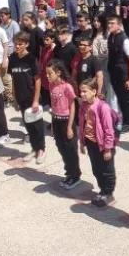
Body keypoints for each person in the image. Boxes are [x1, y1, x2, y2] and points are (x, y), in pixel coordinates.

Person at [78, 78, 118, 207]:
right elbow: (81, 124)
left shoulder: (102, 107)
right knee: (96, 168)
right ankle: (102, 190)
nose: (82, 94)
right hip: (91, 143)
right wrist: (82, 142)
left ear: (94, 91)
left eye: (85, 91)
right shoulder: (83, 106)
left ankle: (109, 193)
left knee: (107, 169)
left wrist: (107, 149)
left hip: (103, 144)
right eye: (81, 91)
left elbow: (109, 130)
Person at [9, 32, 46, 164]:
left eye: (20, 44)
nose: (17, 46)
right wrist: (14, 98)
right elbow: (13, 79)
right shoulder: (12, 58)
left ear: (26, 44)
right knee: (28, 125)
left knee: (37, 125)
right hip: (21, 97)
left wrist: (36, 100)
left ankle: (41, 149)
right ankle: (34, 148)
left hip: (32, 98)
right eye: (16, 44)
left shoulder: (31, 59)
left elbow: (37, 80)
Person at [46, 59, 81, 189]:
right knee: (61, 148)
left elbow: (72, 106)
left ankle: (75, 176)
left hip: (67, 121)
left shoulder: (67, 87)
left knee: (70, 150)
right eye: (47, 74)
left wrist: (70, 127)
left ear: (58, 72)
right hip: (56, 120)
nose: (48, 76)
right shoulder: (51, 86)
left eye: (50, 74)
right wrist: (52, 124)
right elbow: (54, 105)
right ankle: (69, 173)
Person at [107, 16, 129, 132]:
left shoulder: (125, 40)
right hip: (115, 74)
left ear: (119, 25)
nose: (109, 25)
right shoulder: (111, 37)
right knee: (120, 98)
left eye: (112, 23)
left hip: (124, 75)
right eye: (109, 23)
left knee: (127, 99)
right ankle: (123, 120)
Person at [71, 37, 104, 101]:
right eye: (80, 45)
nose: (81, 46)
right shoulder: (78, 60)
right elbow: (74, 75)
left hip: (91, 92)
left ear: (90, 47)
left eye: (84, 45)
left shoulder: (95, 60)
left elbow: (99, 76)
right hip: (81, 92)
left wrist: (99, 91)